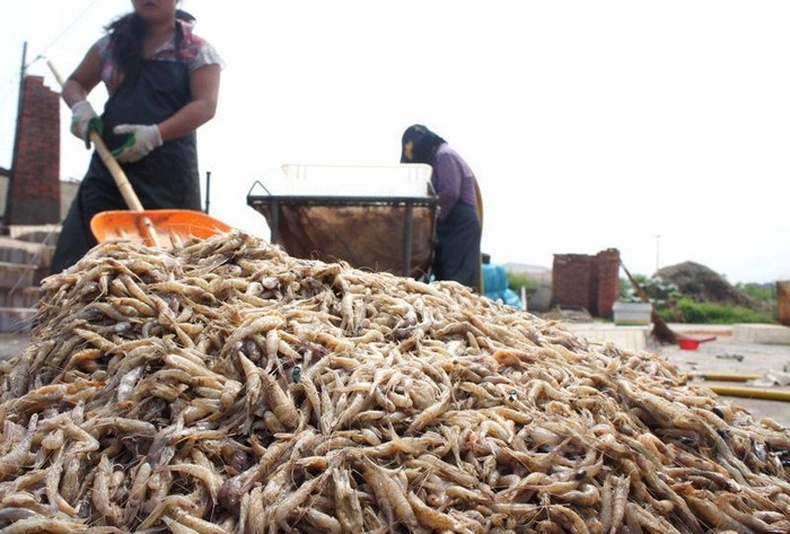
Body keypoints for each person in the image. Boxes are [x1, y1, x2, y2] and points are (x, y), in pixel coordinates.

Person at [51, 0, 223, 273]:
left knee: (173, 268)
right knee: (79, 263)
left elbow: (205, 105)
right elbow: (74, 83)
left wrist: (155, 134)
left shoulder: (198, 51)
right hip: (109, 170)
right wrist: (81, 108)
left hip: (170, 179)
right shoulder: (110, 46)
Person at [400, 124, 482, 291]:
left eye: (409, 148)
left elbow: (450, 193)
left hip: (459, 224)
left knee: (455, 280)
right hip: (452, 222)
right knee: (445, 273)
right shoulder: (438, 158)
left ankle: (458, 314)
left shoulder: (444, 156)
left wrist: (431, 218)